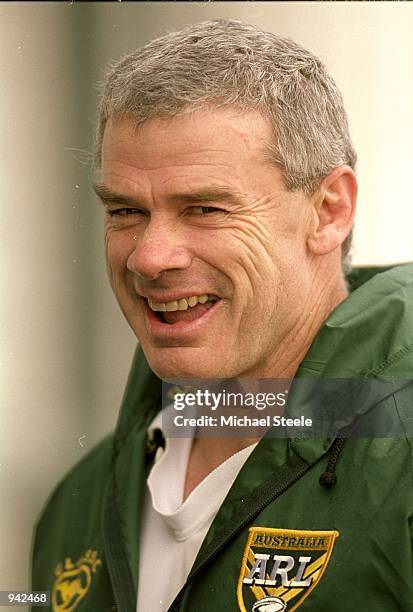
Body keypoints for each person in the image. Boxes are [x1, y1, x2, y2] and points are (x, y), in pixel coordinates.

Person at [32, 19, 413, 612]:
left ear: (329, 211)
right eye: (125, 211)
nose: (150, 258)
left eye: (205, 208)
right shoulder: (76, 502)